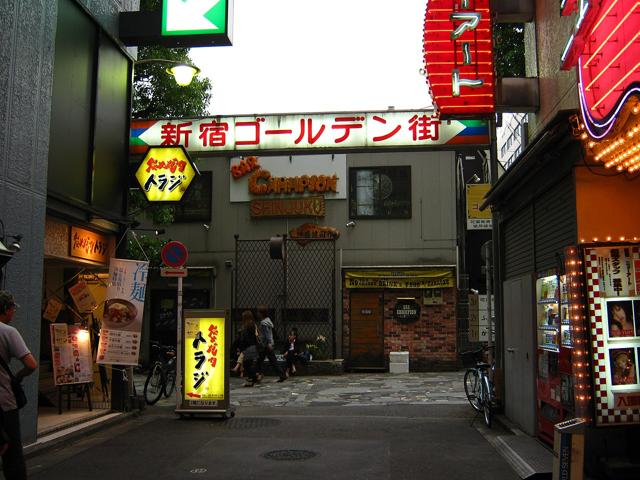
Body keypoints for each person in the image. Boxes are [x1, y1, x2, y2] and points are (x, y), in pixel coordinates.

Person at [0, 291, 37, 479]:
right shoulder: (7, 332)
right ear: (6, 309)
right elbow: (31, 364)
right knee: (12, 455)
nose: (13, 313)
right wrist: (18, 377)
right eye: (12, 308)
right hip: (4, 403)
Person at [255, 306, 287, 383]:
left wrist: (269, 343)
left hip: (265, 345)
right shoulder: (267, 321)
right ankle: (282, 375)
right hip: (267, 344)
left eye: (258, 312)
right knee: (271, 360)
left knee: (260, 361)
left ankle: (256, 375)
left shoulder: (263, 323)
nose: (257, 314)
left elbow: (267, 334)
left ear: (261, 313)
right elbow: (269, 334)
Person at [237, 310, 260, 387]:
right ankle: (253, 377)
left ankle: (252, 378)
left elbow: (246, 337)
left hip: (249, 347)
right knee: (249, 363)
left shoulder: (248, 325)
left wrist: (242, 347)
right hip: (252, 346)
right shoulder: (253, 324)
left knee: (247, 364)